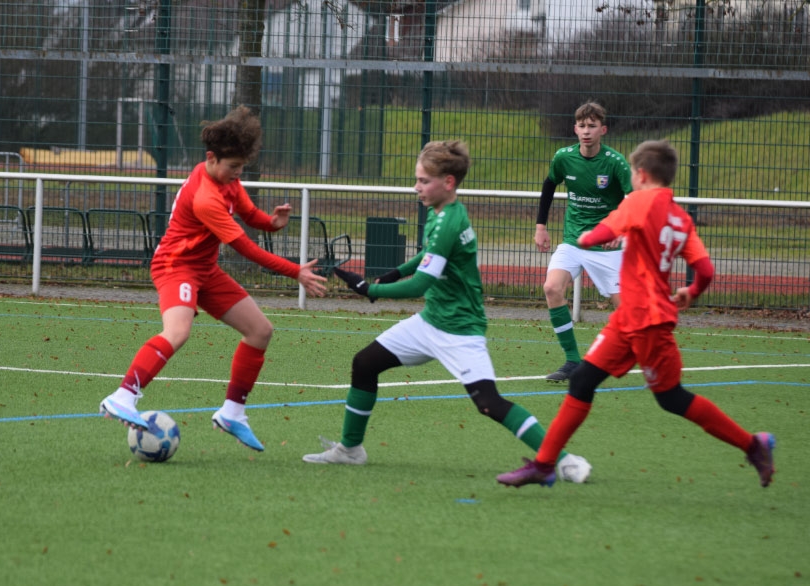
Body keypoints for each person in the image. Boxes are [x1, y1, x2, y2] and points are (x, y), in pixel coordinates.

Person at [497, 140, 776, 488]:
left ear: (641, 174)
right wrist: (691, 292)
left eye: (632, 172)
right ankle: (544, 464)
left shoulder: (638, 202)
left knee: (671, 398)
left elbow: (600, 234)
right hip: (631, 317)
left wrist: (585, 240)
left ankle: (753, 444)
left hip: (647, 321)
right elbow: (705, 269)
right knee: (583, 381)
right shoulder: (680, 217)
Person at [306, 140, 583, 480]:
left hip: (459, 330)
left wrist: (369, 289)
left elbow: (421, 284)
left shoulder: (449, 220)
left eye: (424, 181)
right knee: (365, 364)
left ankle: (564, 460)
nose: (416, 187)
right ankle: (350, 450)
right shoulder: (442, 212)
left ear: (448, 182)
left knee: (489, 403)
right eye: (417, 180)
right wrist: (395, 272)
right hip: (430, 321)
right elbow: (427, 255)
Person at [100, 106, 328, 451]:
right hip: (176, 267)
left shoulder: (227, 180)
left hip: (205, 270)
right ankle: (123, 396)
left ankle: (232, 413)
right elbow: (245, 248)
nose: (238, 173)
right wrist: (295, 271)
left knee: (260, 331)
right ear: (211, 158)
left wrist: (271, 222)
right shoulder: (206, 197)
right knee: (178, 332)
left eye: (241, 167)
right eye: (233, 166)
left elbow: (248, 213)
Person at [535, 101, 632, 382]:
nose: (586, 131)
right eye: (582, 126)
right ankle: (572, 361)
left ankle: (645, 353)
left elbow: (633, 199)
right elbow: (549, 184)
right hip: (573, 241)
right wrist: (541, 226)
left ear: (603, 130)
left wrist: (621, 230)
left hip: (607, 246)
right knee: (552, 288)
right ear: (575, 129)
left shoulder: (615, 162)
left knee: (626, 311)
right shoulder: (563, 157)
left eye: (592, 126)